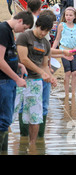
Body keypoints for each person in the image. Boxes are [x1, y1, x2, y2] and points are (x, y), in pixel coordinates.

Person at [14, 13, 54, 147]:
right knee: (14, 111)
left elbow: (44, 64)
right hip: (20, 79)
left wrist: (50, 77)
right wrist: (42, 72)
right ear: (37, 26)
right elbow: (23, 59)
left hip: (36, 82)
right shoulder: (25, 36)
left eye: (47, 31)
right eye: (42, 29)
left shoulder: (46, 44)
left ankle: (32, 146)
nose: (44, 33)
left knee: (35, 115)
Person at [0, 11, 34, 153]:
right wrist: (17, 79)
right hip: (4, 82)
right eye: (25, 28)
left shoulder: (9, 31)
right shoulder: (3, 30)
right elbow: (0, 60)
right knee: (4, 121)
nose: (24, 31)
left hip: (8, 81)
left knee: (5, 120)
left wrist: (19, 65)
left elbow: (8, 55)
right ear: (19, 21)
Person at [52, 7, 76, 97]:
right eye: (67, 15)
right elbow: (57, 39)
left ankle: (73, 93)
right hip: (64, 50)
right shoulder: (61, 25)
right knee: (67, 72)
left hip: (74, 51)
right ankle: (66, 93)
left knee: (74, 72)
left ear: (74, 16)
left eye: (70, 15)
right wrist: (52, 51)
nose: (68, 17)